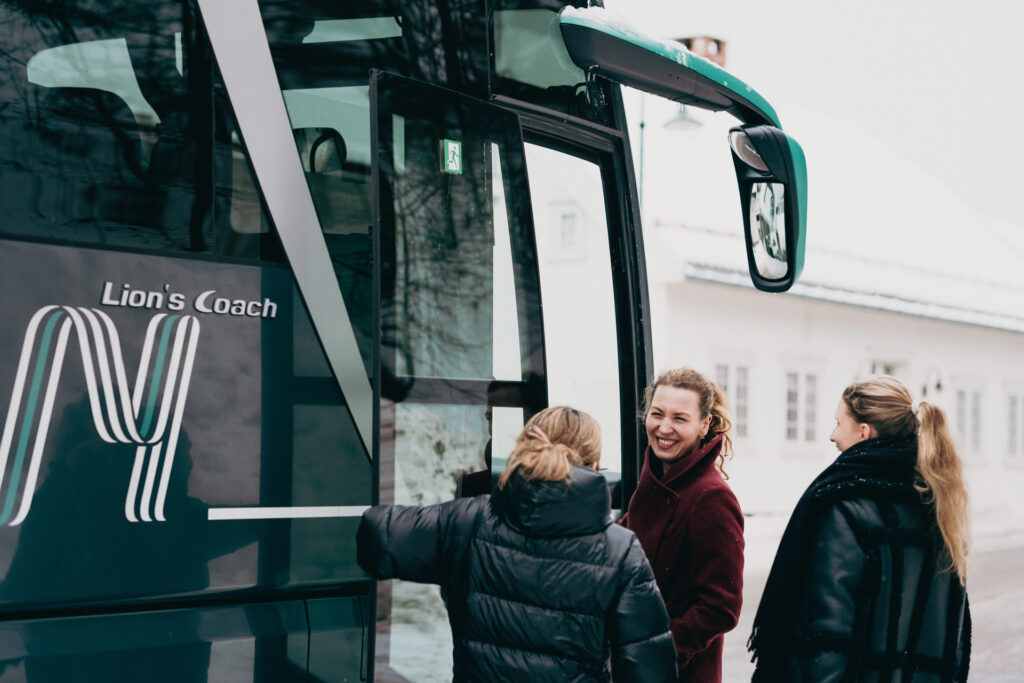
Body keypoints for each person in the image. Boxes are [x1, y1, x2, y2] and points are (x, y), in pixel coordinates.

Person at [357, 405, 677, 682]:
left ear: (525, 448)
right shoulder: (620, 551)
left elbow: (377, 536)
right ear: (593, 464)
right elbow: (649, 669)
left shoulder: (467, 520)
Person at [748, 376, 971, 682]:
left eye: (838, 423)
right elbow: (954, 635)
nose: (831, 435)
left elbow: (829, 634)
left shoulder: (844, 507)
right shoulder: (937, 505)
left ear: (864, 432)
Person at [619, 367, 744, 682]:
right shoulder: (654, 482)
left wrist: (657, 652)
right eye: (657, 413)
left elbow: (721, 606)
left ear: (704, 425)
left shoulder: (711, 497)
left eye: (679, 418)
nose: (664, 427)